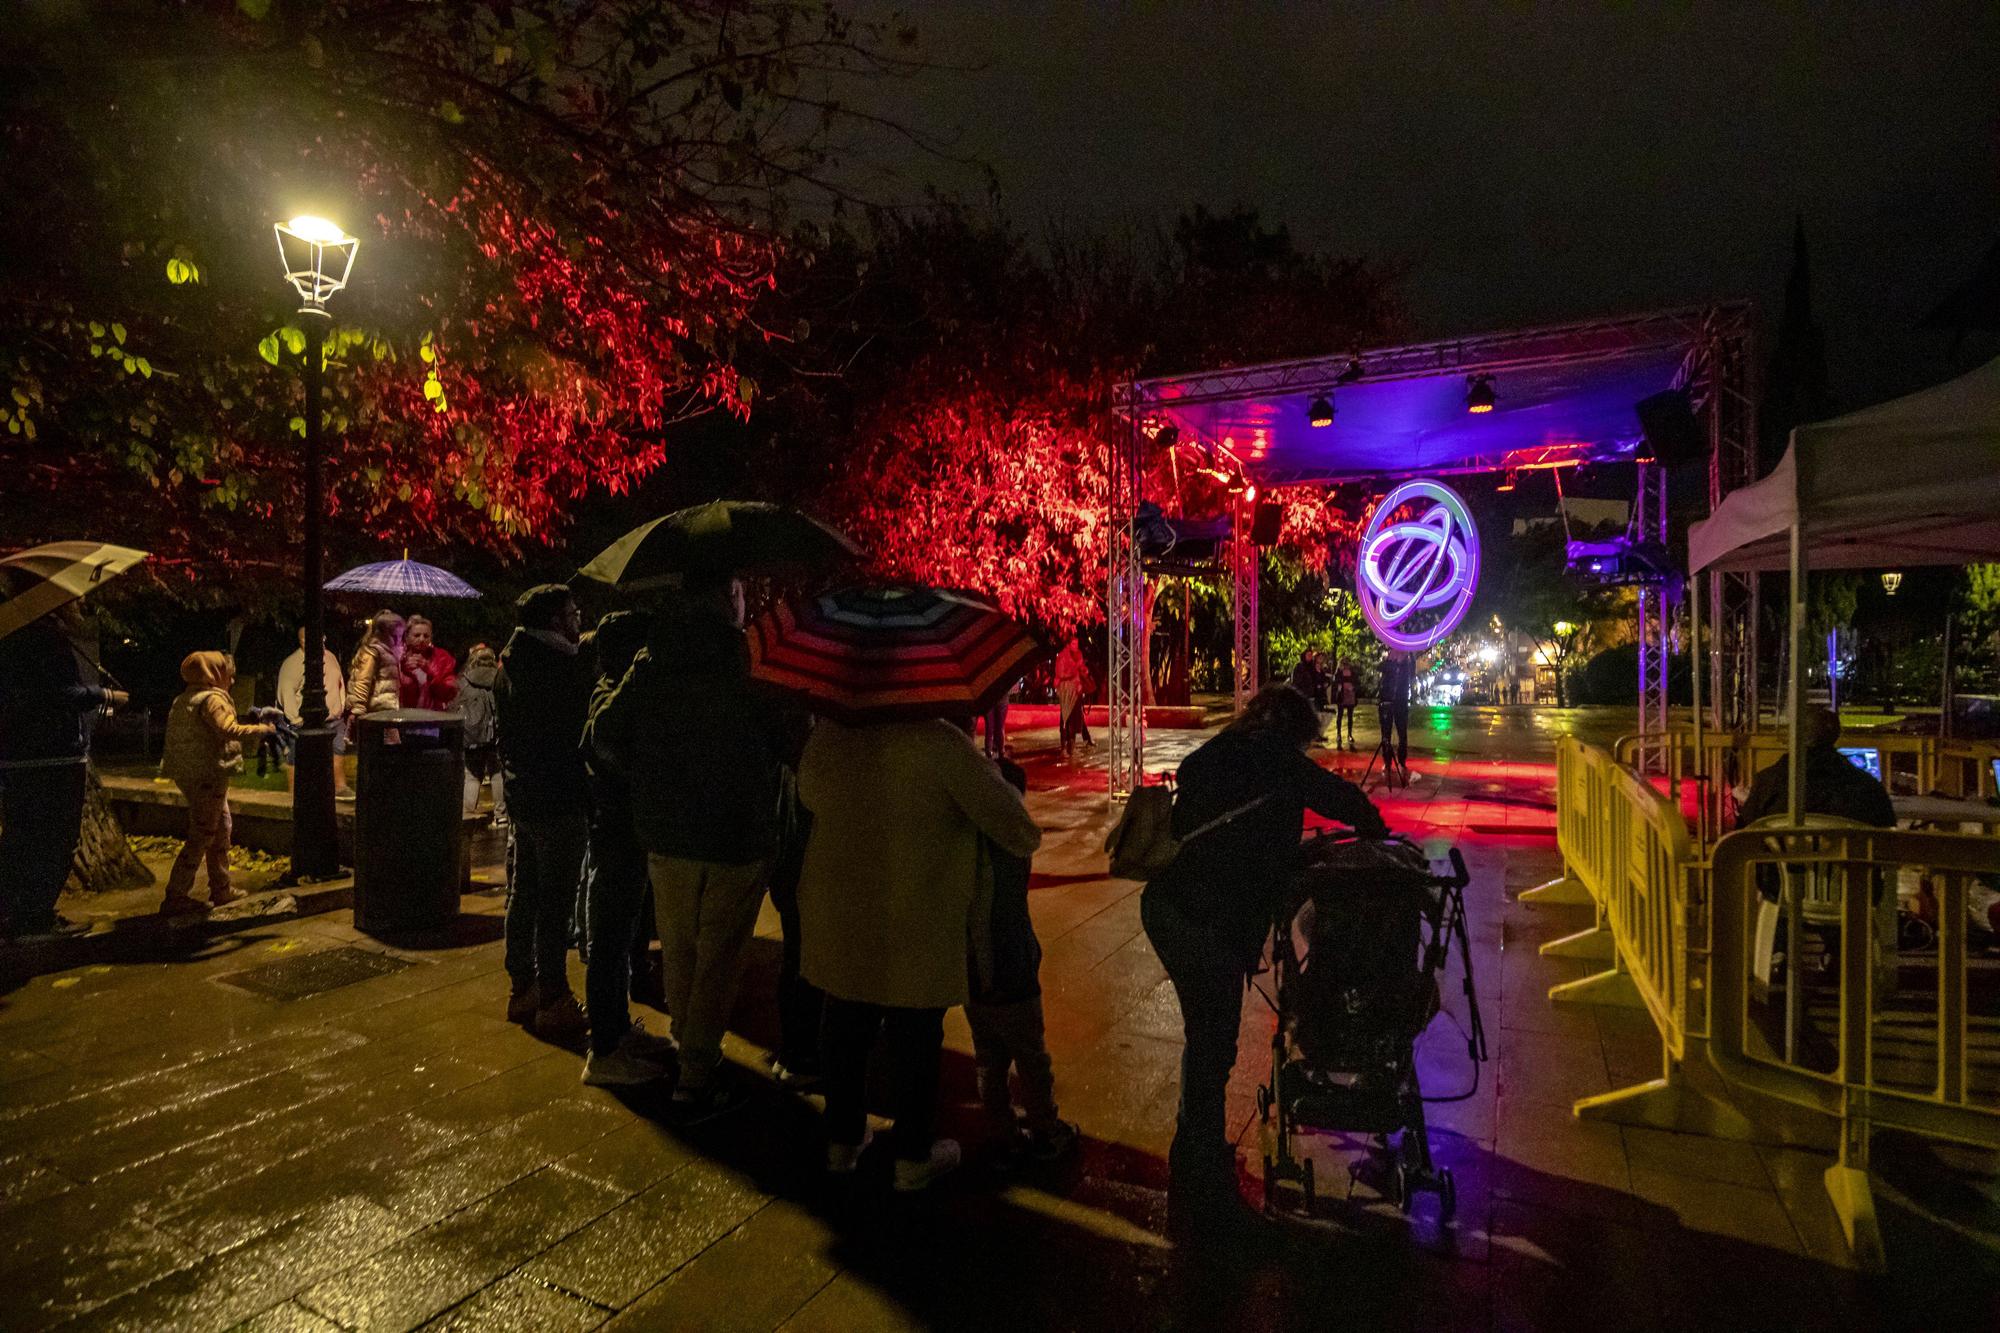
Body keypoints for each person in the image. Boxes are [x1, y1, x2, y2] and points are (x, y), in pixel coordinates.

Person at [1141, 683, 1386, 1234]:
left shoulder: (1219, 752)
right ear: (1294, 730)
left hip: (1169, 904)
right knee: (1211, 1044)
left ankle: (1196, 1159)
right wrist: (1372, 824)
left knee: (1207, 1039)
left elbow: (1236, 836)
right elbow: (1337, 797)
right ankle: (1201, 1174)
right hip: (1205, 919)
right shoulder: (1275, 757)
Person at [798, 712, 1043, 1191]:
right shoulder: (941, 744)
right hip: (917, 914)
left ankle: (842, 1140)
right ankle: (913, 1154)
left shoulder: (830, 734)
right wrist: (993, 781)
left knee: (846, 1017)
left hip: (842, 907)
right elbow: (1019, 831)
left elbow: (808, 793)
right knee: (914, 1029)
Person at [592, 573, 778, 1117]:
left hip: (666, 831)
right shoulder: (752, 663)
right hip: (736, 833)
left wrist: (649, 777)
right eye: (741, 594)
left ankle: (685, 1041)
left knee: (680, 947)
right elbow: (786, 738)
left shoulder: (653, 660)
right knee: (720, 953)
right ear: (727, 600)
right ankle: (697, 1068)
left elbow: (605, 732)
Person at [576, 610, 676, 1086]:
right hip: (612, 835)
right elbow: (604, 733)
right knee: (609, 943)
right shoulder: (607, 693)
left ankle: (616, 1032)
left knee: (619, 938)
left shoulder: (617, 690)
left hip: (623, 834)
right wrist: (641, 671)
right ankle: (604, 1052)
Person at [968, 754, 1078, 1162]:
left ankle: (1000, 1127)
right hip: (1009, 966)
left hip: (974, 970)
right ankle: (1046, 1130)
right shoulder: (1012, 843)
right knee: (1031, 1056)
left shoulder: (970, 837)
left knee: (988, 1058)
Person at [497, 585, 594, 1043]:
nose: (579, 620)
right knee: (554, 900)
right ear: (556, 621)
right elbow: (573, 737)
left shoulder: (513, 663)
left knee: (526, 891)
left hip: (525, 795)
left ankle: (523, 986)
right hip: (558, 796)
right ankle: (554, 996)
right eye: (574, 613)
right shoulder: (559, 668)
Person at [0, 608, 127, 941]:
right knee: (54, 840)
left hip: (19, 755)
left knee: (21, 838)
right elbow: (56, 695)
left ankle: (12, 915)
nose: (79, 606)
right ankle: (34, 919)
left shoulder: (13, 634)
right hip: (52, 755)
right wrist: (104, 694)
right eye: (76, 600)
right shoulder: (44, 639)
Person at [158, 652, 276, 916]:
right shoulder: (212, 699)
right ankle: (176, 894)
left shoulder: (186, 697)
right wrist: (261, 730)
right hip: (207, 774)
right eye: (228, 674)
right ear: (214, 673)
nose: (232, 680)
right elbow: (227, 729)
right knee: (202, 833)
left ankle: (221, 888)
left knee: (221, 828)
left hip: (191, 773)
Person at [1736, 709, 1895, 831]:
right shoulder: (1866, 786)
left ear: (1794, 735)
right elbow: (1886, 828)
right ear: (1836, 735)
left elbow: (1745, 829)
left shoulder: (1769, 782)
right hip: (1848, 871)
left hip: (1783, 870)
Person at [276, 627, 350, 798]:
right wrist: (296, 719)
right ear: (301, 641)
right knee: (296, 756)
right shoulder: (292, 664)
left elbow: (339, 682)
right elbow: (286, 693)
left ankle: (340, 787)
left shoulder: (330, 657)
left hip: (333, 718)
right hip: (304, 721)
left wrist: (340, 707)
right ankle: (293, 792)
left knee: (337, 750)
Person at [456, 643, 505, 825]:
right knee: (497, 773)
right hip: (496, 735)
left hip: (473, 736)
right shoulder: (500, 678)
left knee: (472, 775)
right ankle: (501, 815)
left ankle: (468, 813)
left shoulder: (463, 680)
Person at [344, 610, 405, 721]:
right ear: (381, 634)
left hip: (388, 711)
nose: (397, 640)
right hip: (375, 713)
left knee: (392, 738)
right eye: (393, 636)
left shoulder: (392, 653)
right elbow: (362, 680)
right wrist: (358, 709)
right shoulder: (372, 652)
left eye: (400, 636)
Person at [398, 615, 459, 710]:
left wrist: (430, 670)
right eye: (417, 635)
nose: (422, 639)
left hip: (431, 717)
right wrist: (403, 668)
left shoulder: (442, 657)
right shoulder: (397, 658)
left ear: (431, 637)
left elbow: (449, 693)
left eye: (426, 636)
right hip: (403, 716)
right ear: (407, 637)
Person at [1055, 639, 1095, 758]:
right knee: (1065, 718)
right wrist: (1074, 669)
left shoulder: (1078, 655)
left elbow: (1080, 669)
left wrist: (1083, 670)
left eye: (1077, 644)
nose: (1075, 646)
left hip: (1077, 690)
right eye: (1073, 644)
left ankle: (1072, 747)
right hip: (1067, 691)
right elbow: (1061, 674)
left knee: (1076, 719)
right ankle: (1064, 748)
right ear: (1068, 645)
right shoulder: (1062, 657)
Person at [1378, 649, 1414, 775]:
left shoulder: (1406, 666)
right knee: (1385, 734)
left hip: (1400, 703)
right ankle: (1387, 761)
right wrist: (1392, 661)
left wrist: (1403, 659)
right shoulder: (1387, 665)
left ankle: (1402, 761)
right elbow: (1380, 668)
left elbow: (1410, 675)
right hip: (1387, 702)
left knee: (1402, 733)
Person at [1331, 657, 1360, 751]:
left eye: (1347, 663)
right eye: (1344, 663)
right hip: (1342, 696)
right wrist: (1339, 687)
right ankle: (1339, 734)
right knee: (1340, 715)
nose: (1346, 665)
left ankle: (1349, 734)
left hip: (1350, 695)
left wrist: (1353, 688)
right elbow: (1335, 682)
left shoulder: (1352, 672)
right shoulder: (1338, 672)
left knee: (1350, 716)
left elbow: (1357, 682)